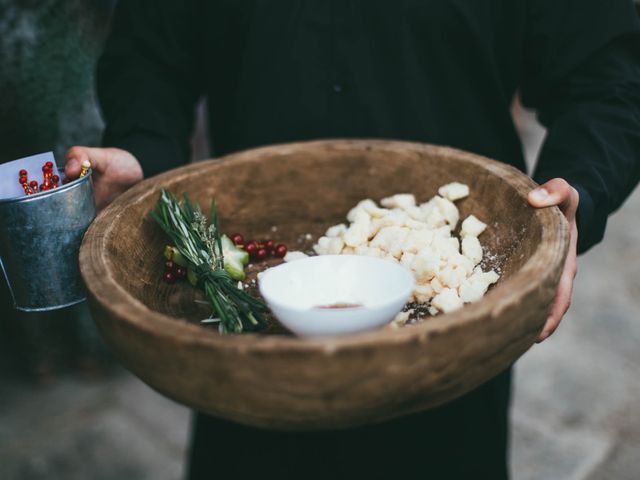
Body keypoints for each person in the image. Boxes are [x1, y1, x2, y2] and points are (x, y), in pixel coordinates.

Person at [64, 1, 640, 478]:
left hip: (447, 315)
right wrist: (145, 147)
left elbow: (606, 77)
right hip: (252, 328)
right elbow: (150, 54)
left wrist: (579, 189)